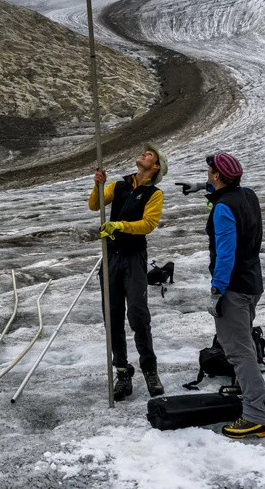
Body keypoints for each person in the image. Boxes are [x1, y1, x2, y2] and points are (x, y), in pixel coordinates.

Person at [203, 151, 265, 439]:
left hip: (233, 287)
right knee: (245, 343)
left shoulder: (222, 208)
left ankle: (255, 416)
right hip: (252, 281)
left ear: (217, 176)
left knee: (239, 351)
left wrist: (217, 290)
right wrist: (201, 189)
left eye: (209, 171)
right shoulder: (248, 195)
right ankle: (247, 388)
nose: (207, 172)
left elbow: (225, 253)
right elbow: (224, 195)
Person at [91, 143, 166, 400]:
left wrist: (119, 226)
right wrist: (99, 185)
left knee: (137, 313)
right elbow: (94, 205)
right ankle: (122, 371)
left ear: (155, 167)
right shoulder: (120, 185)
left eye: (149, 155)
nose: (143, 154)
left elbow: (148, 224)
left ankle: (149, 369)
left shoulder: (154, 194)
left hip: (134, 258)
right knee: (112, 316)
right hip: (111, 257)